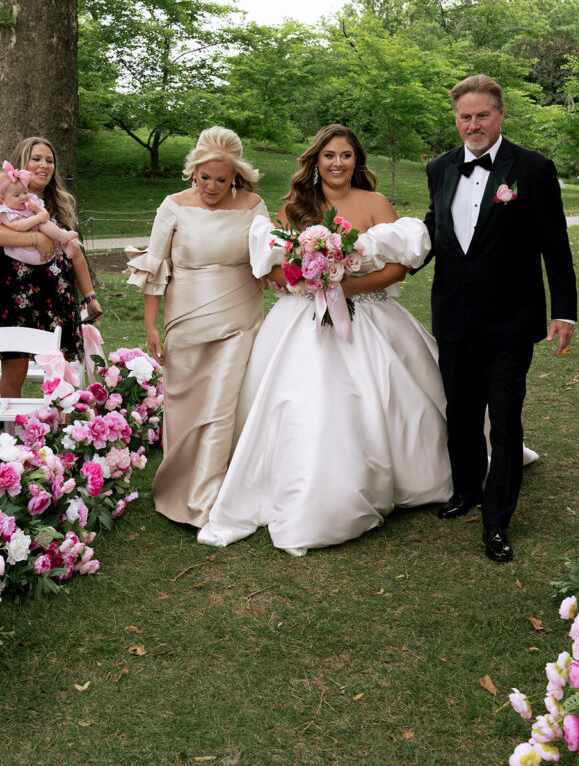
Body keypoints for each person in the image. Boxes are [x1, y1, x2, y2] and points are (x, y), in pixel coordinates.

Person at [198, 124, 452, 557]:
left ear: (358, 161)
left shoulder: (375, 203)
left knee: (387, 394)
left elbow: (398, 268)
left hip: (368, 312)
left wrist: (341, 287)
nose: (338, 163)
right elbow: (271, 267)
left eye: (346, 155)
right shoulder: (295, 206)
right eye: (329, 155)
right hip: (302, 317)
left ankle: (406, 477)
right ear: (315, 160)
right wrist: (306, 281)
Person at [423, 75, 577, 563]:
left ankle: (496, 518)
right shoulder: (438, 168)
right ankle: (466, 488)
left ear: (500, 114)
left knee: (505, 419)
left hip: (511, 319)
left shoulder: (532, 168)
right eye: (465, 117)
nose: (473, 125)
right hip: (453, 316)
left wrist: (565, 311)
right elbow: (433, 232)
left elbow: (555, 244)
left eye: (482, 115)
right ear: (456, 119)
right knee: (461, 412)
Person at [126, 126, 267, 528]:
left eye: (222, 179)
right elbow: (154, 269)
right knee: (185, 406)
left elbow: (265, 260)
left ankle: (210, 501)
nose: (212, 186)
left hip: (239, 319)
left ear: (236, 175)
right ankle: (178, 485)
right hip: (185, 319)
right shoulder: (172, 206)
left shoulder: (254, 207)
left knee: (222, 406)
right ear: (194, 171)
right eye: (205, 177)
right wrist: (153, 328)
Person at [0, 137, 101, 399]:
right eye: (36, 159)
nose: (44, 164)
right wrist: (37, 238)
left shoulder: (59, 203)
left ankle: (60, 436)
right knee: (14, 368)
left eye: (50, 160)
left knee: (61, 372)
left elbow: (76, 253)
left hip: (56, 297)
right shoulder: (7, 200)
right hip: (16, 299)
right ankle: (5, 436)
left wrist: (90, 297)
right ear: (22, 163)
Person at [0, 163, 80, 260]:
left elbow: (45, 215)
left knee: (44, 223)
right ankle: (62, 236)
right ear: (3, 199)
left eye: (25, 192)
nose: (23, 197)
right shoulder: (5, 212)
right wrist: (38, 218)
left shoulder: (27, 203)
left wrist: (37, 210)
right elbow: (17, 226)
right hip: (26, 250)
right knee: (41, 224)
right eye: (17, 195)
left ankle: (65, 246)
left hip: (43, 249)